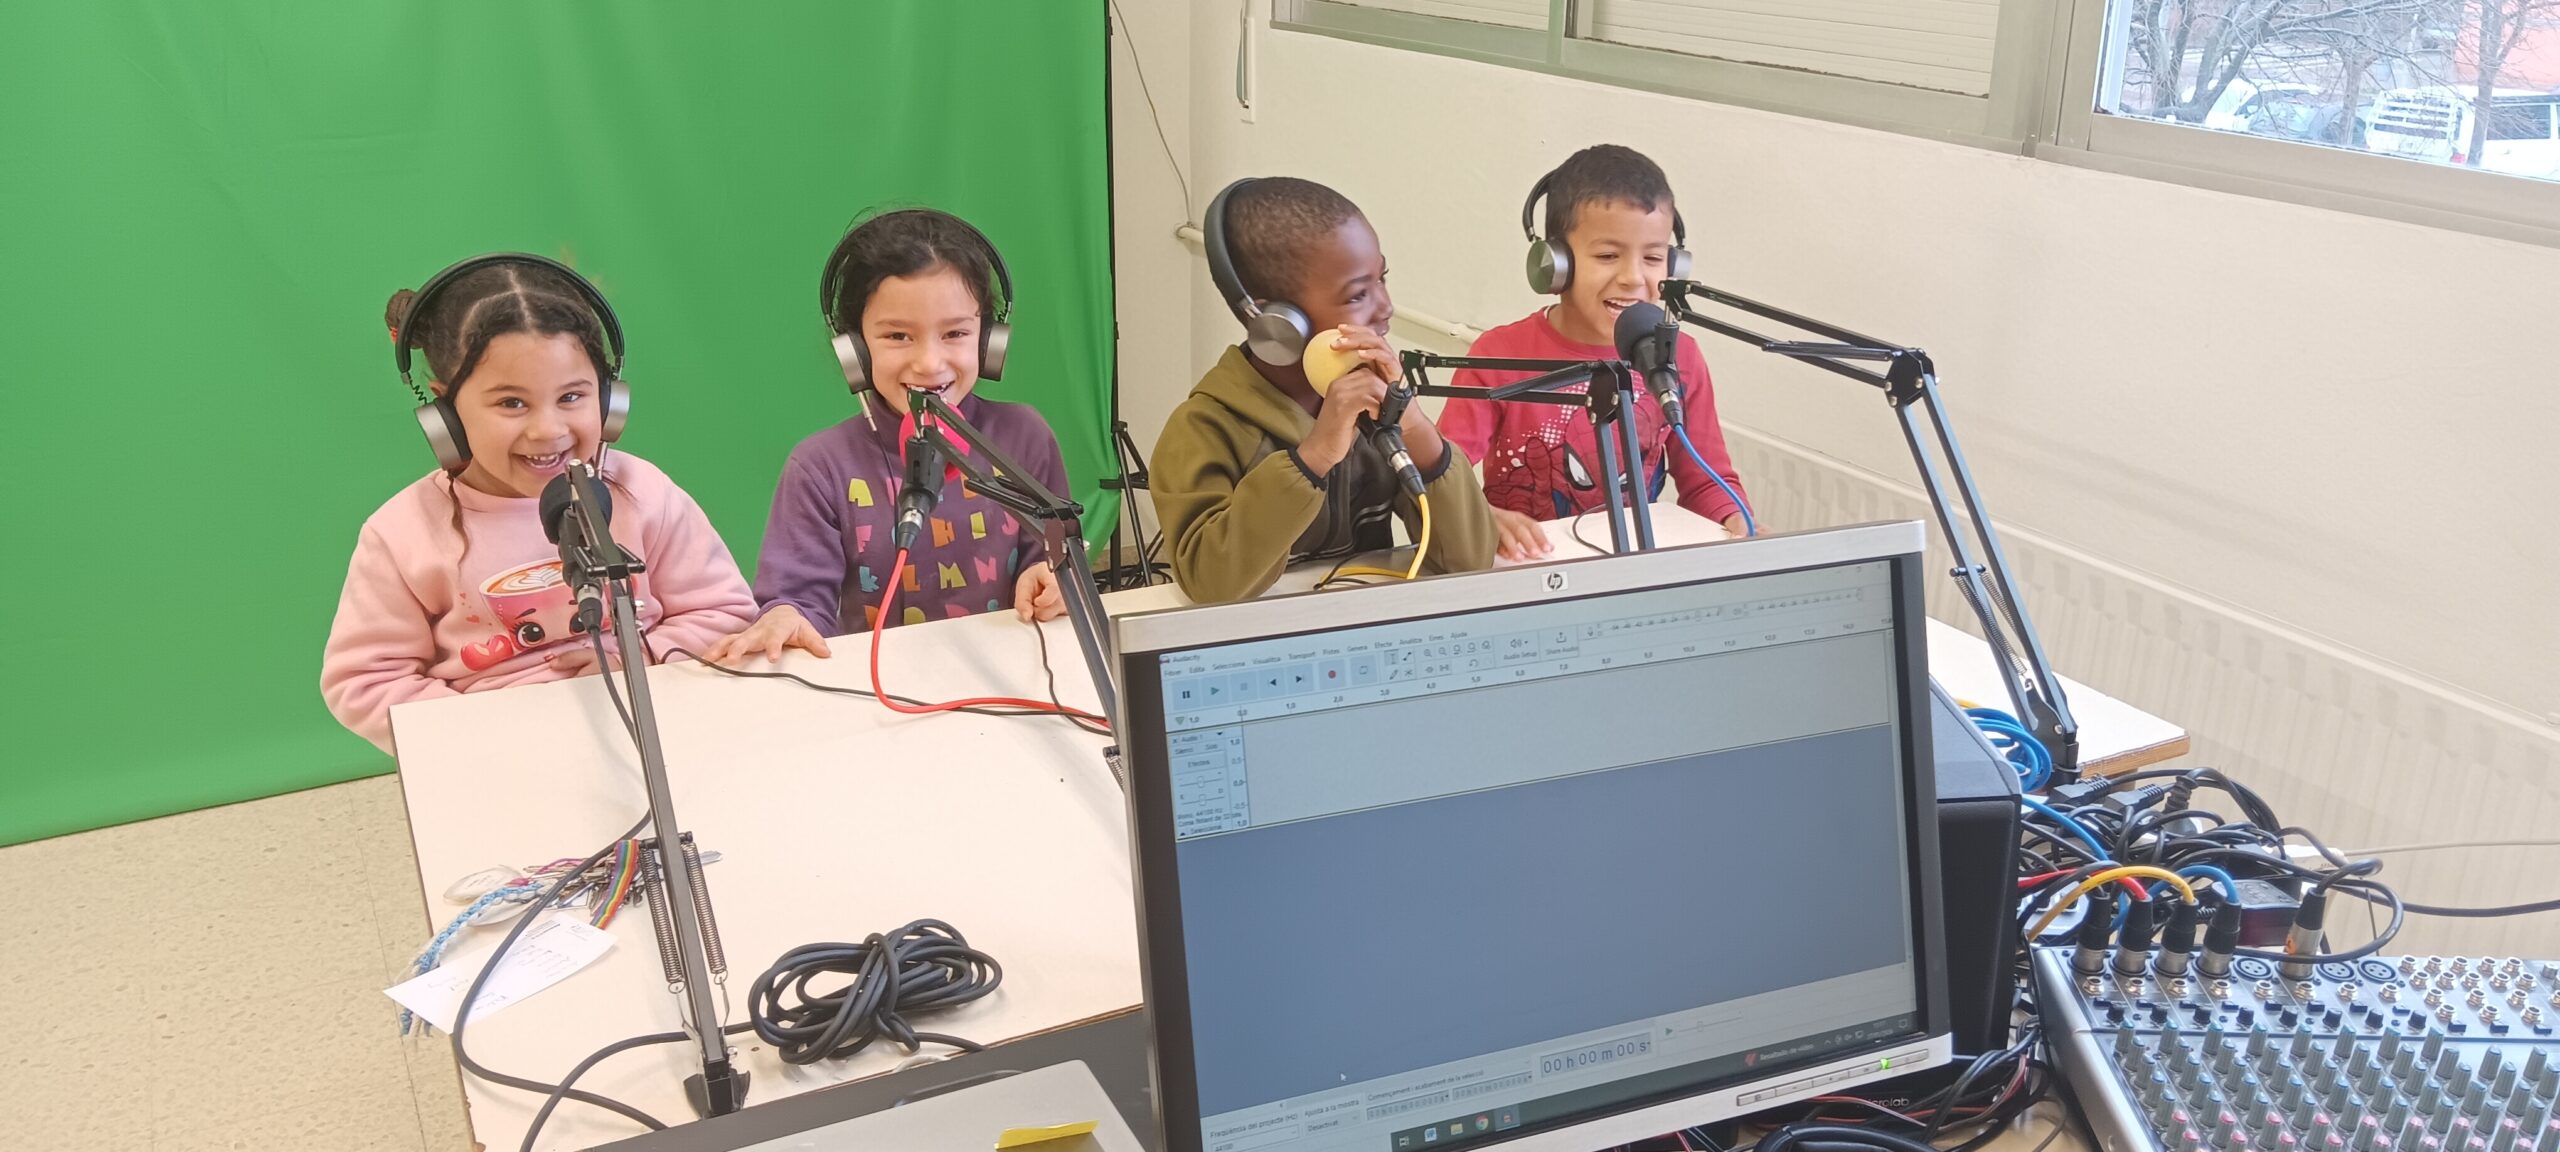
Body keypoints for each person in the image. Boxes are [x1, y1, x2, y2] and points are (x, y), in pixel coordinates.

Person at [322, 255, 767, 753]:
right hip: (501, 757)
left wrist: (641, 654)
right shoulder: (402, 533)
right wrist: (488, 732)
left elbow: (724, 610)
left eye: (572, 397)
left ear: (610, 399)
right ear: (445, 413)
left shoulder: (643, 491)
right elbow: (364, 681)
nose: (548, 430)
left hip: (655, 729)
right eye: (511, 403)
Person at [709, 209, 1069, 664]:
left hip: (1012, 671)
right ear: (855, 352)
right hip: (878, 688)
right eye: (898, 336)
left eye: (956, 333)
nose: (929, 363)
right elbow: (797, 601)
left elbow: (1056, 557)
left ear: (988, 341)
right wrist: (785, 616)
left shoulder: (1025, 438)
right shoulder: (820, 467)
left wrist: (1051, 577)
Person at [1151, 177, 1495, 603]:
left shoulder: (1374, 404)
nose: (1386, 307)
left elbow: (1468, 561)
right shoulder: (1203, 429)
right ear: (1276, 323)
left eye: (1382, 278)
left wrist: (1414, 426)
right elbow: (1210, 586)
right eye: (1358, 295)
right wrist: (1313, 458)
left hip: (1361, 618)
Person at [1438, 145, 1752, 561]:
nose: (1633, 278)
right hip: (1527, 568)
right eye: (1607, 256)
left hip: (1628, 569)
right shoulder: (1497, 356)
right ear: (1555, 264)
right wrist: (1484, 518)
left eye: (1653, 257)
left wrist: (1737, 521)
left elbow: (1706, 481)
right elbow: (1443, 478)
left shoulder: (1679, 357)